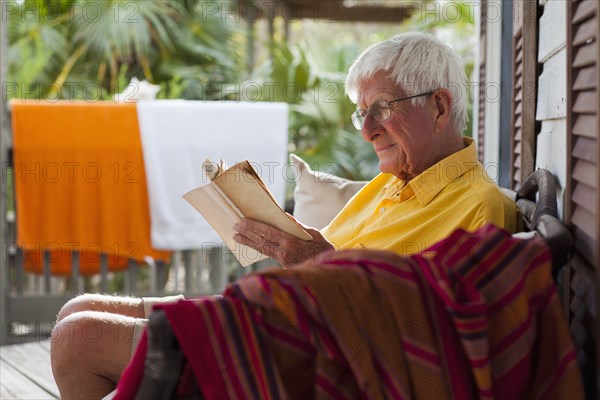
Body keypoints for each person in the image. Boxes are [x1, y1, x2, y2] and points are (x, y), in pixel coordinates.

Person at [50, 32, 520, 399]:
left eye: (381, 109)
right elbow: (326, 264)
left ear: (439, 106)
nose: (368, 131)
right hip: (270, 322)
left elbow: (435, 349)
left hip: (304, 360)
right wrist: (290, 243)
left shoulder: (481, 208)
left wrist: (318, 261)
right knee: (75, 310)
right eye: (362, 115)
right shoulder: (388, 185)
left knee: (79, 338)